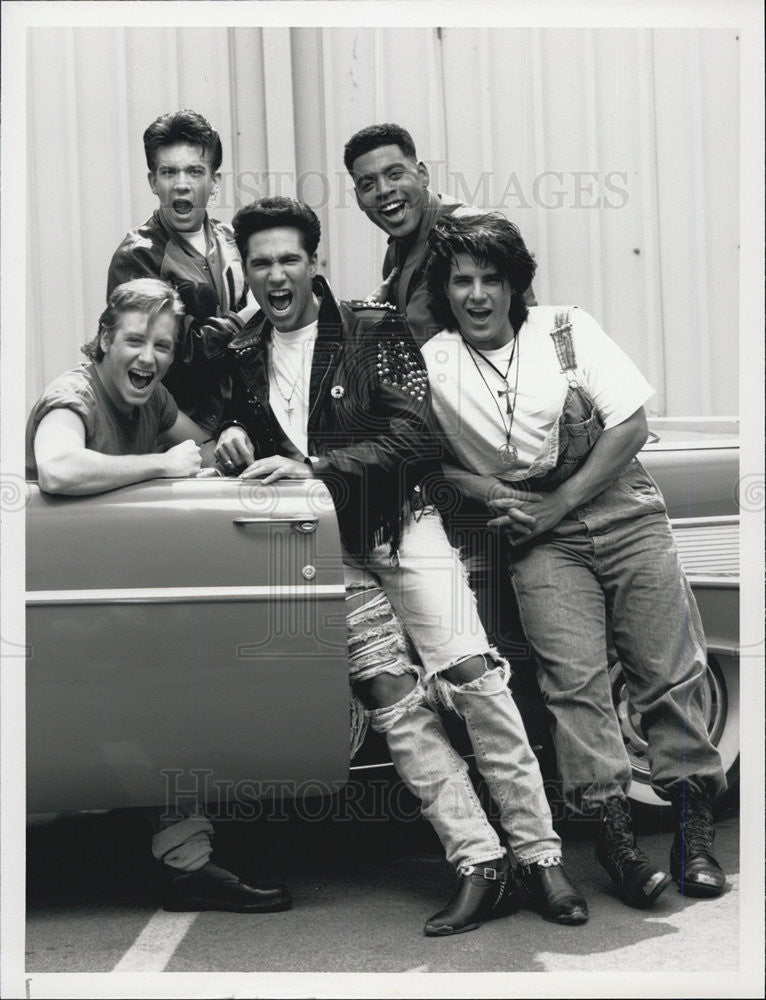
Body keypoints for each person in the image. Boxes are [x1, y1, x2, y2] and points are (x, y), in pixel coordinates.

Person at [214, 195, 588, 936]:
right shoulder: (239, 351)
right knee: (392, 700)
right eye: (261, 263)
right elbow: (236, 425)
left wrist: (320, 468)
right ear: (246, 272)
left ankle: (541, 858)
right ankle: (479, 862)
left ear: (314, 261)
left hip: (401, 527)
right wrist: (232, 431)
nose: (276, 275)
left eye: (289, 258)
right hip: (327, 548)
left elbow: (416, 438)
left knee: (475, 679)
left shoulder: (371, 327)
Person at [419, 211, 727, 907]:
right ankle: (616, 840)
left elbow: (632, 425)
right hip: (538, 535)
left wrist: (562, 501)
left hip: (620, 507)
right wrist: (495, 490)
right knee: (574, 684)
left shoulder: (565, 329)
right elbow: (427, 457)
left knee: (668, 671)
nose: (475, 295)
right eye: (460, 280)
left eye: (490, 279)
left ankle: (692, 830)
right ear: (445, 289)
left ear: (514, 284)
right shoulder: (436, 363)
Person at [26, 277, 291, 914]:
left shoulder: (151, 397)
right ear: (103, 340)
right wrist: (161, 465)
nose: (149, 357)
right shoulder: (74, 394)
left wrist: (223, 444)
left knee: (167, 689)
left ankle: (188, 861)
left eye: (163, 346)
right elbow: (59, 467)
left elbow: (194, 443)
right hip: (41, 597)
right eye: (135, 341)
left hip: (98, 593)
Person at [107, 109, 252, 436]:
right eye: (169, 172)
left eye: (195, 172)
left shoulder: (234, 241)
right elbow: (178, 352)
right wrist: (248, 317)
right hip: (171, 434)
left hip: (240, 425)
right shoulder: (137, 256)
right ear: (153, 182)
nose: (182, 186)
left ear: (214, 182)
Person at [343, 122, 535, 346]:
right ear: (358, 200)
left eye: (395, 174)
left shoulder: (464, 233)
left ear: (422, 174)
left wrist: (364, 317)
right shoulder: (396, 250)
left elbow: (409, 338)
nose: (384, 190)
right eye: (368, 184)